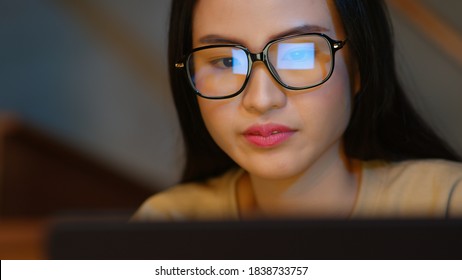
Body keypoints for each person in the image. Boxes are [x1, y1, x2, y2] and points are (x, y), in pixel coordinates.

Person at [132, 0, 462, 221]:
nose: (261, 100)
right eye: (226, 61)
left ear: (359, 66)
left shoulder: (444, 204)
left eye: (298, 55)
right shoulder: (169, 223)